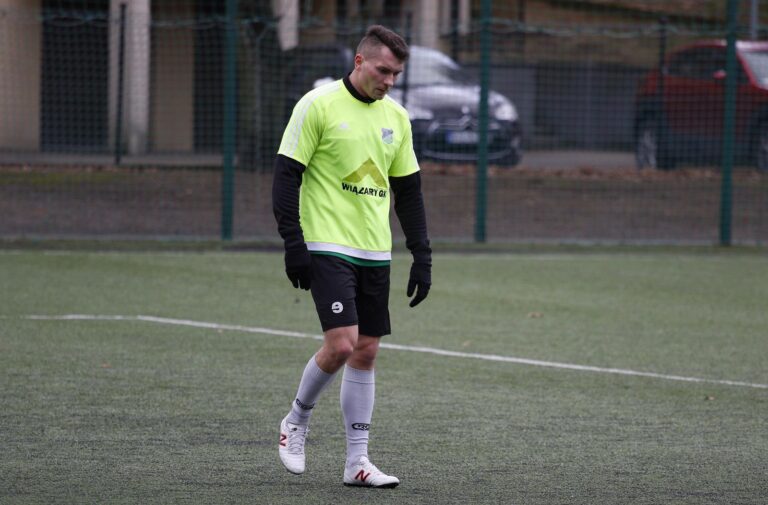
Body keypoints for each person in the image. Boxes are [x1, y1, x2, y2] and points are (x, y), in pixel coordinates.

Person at [272, 25, 431, 488]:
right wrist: (294, 243)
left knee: (366, 350)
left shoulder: (397, 118)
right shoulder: (317, 104)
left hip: (374, 250)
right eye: (383, 70)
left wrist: (421, 255)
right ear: (359, 62)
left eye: (396, 74)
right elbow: (286, 176)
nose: (390, 81)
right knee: (342, 343)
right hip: (325, 243)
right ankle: (296, 420)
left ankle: (357, 463)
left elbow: (409, 192)